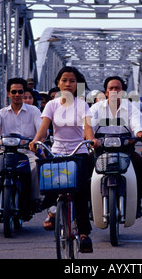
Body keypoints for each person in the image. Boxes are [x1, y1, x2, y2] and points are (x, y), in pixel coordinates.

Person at [29, 66, 99, 253]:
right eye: (64, 80)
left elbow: (87, 128)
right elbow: (44, 129)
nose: (68, 84)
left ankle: (84, 233)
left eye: (72, 81)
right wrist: (36, 141)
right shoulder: (52, 105)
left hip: (79, 151)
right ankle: (53, 210)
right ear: (58, 83)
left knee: (81, 193)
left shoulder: (82, 104)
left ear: (78, 84)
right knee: (52, 185)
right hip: (57, 151)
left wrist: (92, 140)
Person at [0, 78, 42, 219]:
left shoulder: (34, 111)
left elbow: (41, 130)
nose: (17, 94)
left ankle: (34, 200)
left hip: (27, 151)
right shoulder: (2, 113)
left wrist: (36, 141)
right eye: (13, 91)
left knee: (34, 168)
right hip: (5, 151)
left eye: (20, 91)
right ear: (8, 93)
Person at [90, 76, 142, 218]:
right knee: (85, 167)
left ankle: (137, 202)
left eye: (117, 88)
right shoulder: (96, 108)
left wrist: (140, 132)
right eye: (111, 88)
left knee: (140, 164)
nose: (114, 91)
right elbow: (89, 125)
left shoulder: (131, 108)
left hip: (125, 149)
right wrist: (91, 138)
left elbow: (136, 122)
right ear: (105, 92)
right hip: (100, 150)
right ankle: (89, 204)